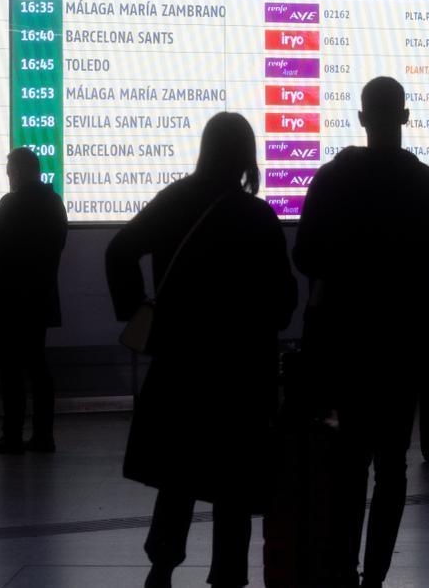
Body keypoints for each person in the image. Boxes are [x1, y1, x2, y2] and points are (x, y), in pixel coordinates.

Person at [293, 77, 429, 588]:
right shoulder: (427, 182)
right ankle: (375, 574)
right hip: (402, 341)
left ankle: (344, 569)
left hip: (346, 340)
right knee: (392, 464)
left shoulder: (331, 179)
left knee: (349, 461)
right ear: (404, 118)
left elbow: (304, 254)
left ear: (360, 119)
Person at [106, 112, 297, 588]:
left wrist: (139, 309)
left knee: (179, 473)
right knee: (234, 480)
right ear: (247, 155)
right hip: (240, 367)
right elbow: (282, 297)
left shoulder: (176, 200)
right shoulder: (257, 216)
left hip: (182, 361)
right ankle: (228, 575)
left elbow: (120, 250)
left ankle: (163, 565)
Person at [0, 147, 67, 454]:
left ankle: (11, 435)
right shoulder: (54, 203)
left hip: (8, 299)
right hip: (39, 297)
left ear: (19, 171)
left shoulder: (10, 204)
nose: (8, 174)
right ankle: (43, 435)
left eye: (10, 169)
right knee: (38, 365)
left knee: (10, 369)